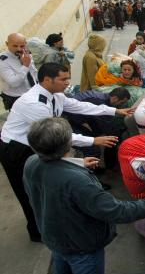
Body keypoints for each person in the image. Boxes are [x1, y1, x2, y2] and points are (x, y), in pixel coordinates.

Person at [23, 117, 145, 274]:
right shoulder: (77, 181)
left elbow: (53, 176)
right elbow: (118, 212)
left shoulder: (32, 162)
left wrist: (77, 164)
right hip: (82, 249)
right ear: (68, 143)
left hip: (55, 240)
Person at [0, 63, 132, 242]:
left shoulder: (55, 95)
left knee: (42, 187)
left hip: (36, 144)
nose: (67, 83)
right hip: (17, 149)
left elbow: (80, 106)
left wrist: (115, 110)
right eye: (63, 79)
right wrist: (93, 140)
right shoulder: (35, 103)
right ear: (47, 80)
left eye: (68, 78)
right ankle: (36, 232)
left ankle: (44, 225)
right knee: (28, 192)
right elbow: (54, 134)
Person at [0, 33, 38, 110]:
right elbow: (13, 83)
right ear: (7, 44)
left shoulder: (27, 54)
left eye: (22, 46)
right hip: (16, 98)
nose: (19, 49)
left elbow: (33, 73)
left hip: (33, 92)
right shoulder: (3, 60)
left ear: (25, 44)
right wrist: (25, 66)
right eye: (15, 46)